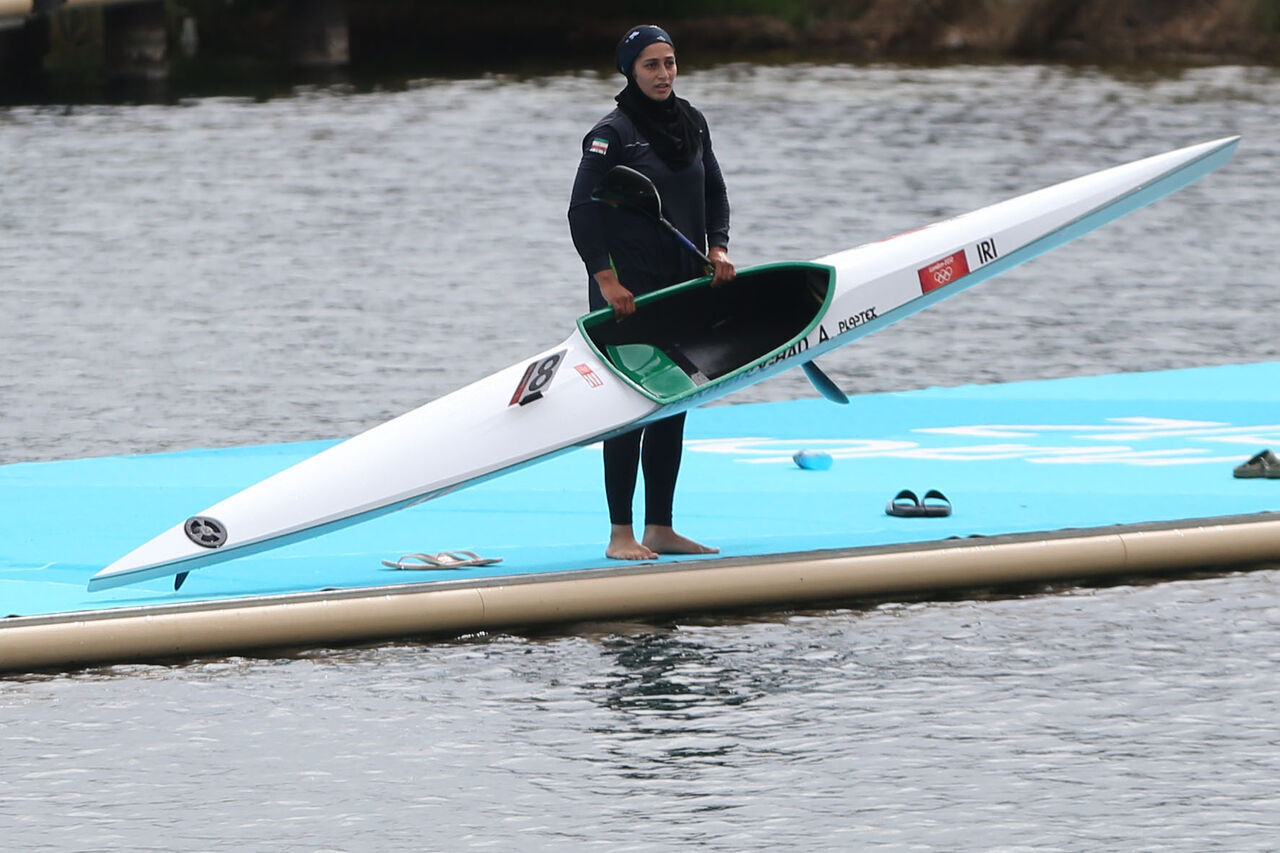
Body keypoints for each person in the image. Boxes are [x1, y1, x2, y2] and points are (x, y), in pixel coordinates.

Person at [568, 24, 736, 561]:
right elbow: (580, 209)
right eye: (651, 65)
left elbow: (713, 189)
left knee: (673, 403)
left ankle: (660, 527)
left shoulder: (691, 122)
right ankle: (621, 534)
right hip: (629, 294)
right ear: (630, 71)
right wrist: (606, 278)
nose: (663, 74)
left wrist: (719, 248)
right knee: (628, 408)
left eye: (669, 63)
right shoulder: (612, 134)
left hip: (683, 284)